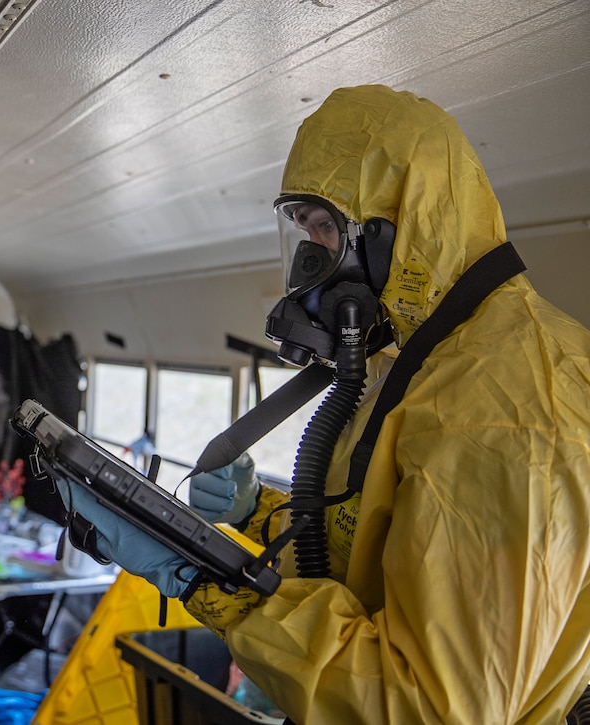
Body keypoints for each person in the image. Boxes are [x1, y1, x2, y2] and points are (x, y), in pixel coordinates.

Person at [56, 84, 590, 722]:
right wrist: (259, 513)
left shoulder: (512, 406)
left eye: (324, 228)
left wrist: (206, 583)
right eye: (302, 231)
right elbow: (367, 548)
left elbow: (431, 706)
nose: (309, 261)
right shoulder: (419, 364)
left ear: (398, 226)